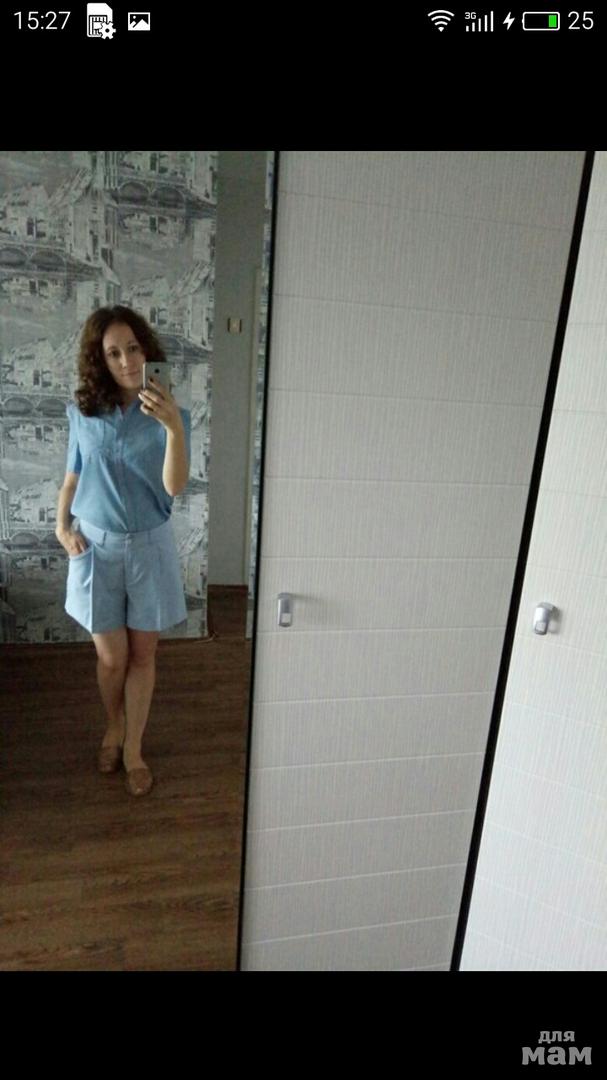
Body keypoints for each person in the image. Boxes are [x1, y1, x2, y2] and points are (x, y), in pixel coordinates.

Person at [55, 305, 192, 797]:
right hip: (97, 548)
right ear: (101, 360)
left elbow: (174, 487)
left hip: (150, 547)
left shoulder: (171, 415)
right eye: (114, 353)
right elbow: (72, 476)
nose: (127, 362)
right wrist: (61, 526)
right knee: (112, 658)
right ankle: (113, 724)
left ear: (146, 351)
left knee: (143, 654)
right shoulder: (83, 414)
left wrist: (174, 428)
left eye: (133, 349)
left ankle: (133, 747)